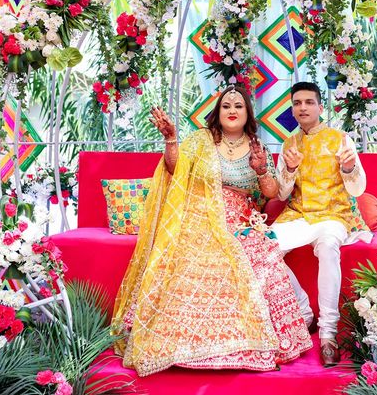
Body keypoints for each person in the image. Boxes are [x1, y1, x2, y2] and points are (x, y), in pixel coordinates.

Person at [114, 85, 312, 376]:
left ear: (247, 113)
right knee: (190, 259)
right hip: (199, 216)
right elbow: (175, 169)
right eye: (226, 106)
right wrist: (171, 139)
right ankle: (185, 343)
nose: (232, 110)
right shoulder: (200, 141)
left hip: (242, 221)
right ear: (218, 113)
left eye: (238, 106)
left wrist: (260, 170)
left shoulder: (257, 146)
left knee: (261, 255)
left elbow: (271, 193)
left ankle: (253, 340)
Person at [272, 81, 370, 366]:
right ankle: (304, 312)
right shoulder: (289, 144)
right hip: (299, 215)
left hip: (332, 214)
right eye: (297, 103)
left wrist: (349, 168)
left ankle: (328, 333)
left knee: (328, 247)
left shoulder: (340, 139)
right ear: (293, 108)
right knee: (262, 248)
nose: (302, 107)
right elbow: (281, 193)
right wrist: (289, 169)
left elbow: (357, 190)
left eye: (308, 102)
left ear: (319, 107)